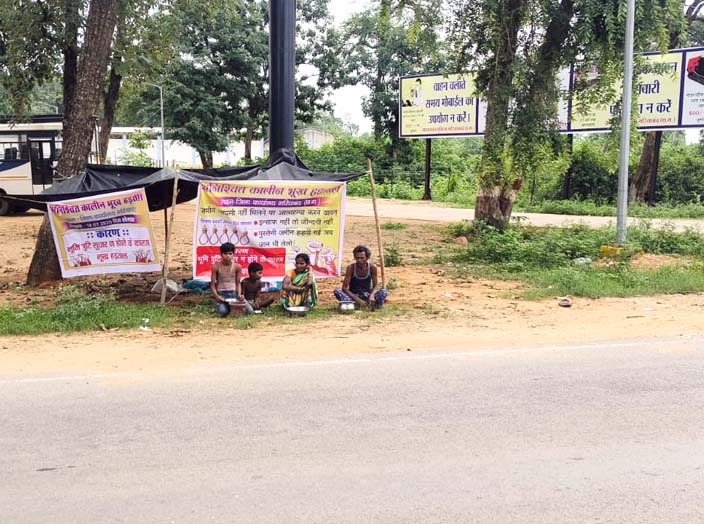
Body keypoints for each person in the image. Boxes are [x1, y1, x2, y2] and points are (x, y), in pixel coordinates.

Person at [334, 245, 388, 309]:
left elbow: (376, 285)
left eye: (362, 258)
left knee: (384, 292)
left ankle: (374, 305)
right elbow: (344, 288)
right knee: (337, 291)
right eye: (357, 258)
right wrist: (358, 300)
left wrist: (372, 295)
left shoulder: (372, 267)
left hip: (367, 295)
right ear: (355, 257)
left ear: (367, 258)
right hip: (354, 296)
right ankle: (355, 304)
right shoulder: (351, 268)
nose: (359, 260)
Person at [210, 242, 242, 317]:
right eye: (225, 253)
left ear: (233, 254)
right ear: (221, 254)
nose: (228, 256)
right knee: (223, 312)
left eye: (230, 253)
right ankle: (220, 305)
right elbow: (212, 285)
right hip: (221, 294)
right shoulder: (216, 267)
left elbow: (238, 283)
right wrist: (217, 296)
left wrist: (239, 295)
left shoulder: (237, 266)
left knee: (249, 311)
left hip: (233, 294)